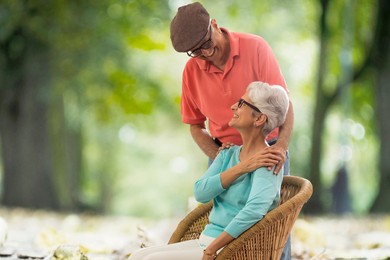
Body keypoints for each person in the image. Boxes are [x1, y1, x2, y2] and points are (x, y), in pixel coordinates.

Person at [170, 2, 294, 259]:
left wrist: (280, 147)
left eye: (205, 43)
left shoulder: (255, 47)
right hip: (224, 153)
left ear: (214, 24)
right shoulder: (192, 71)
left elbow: (285, 104)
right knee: (223, 218)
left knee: (272, 229)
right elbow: (195, 125)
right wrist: (221, 157)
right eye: (194, 52)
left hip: (267, 150)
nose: (204, 53)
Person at [128, 81, 289, 260]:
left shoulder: (269, 161)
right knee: (138, 255)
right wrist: (243, 167)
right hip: (206, 241)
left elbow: (254, 211)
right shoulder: (228, 154)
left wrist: (213, 249)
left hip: (234, 248)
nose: (233, 106)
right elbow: (201, 192)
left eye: (242, 103)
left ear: (259, 119)